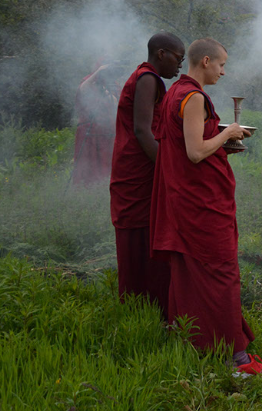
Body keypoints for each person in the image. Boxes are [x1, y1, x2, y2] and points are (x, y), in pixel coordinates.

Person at [150, 38, 262, 377]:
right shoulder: (192, 97)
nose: (223, 71)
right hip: (200, 204)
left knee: (190, 274)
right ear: (205, 61)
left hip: (188, 198)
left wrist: (222, 143)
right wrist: (229, 132)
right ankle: (239, 361)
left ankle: (194, 342)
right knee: (222, 275)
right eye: (221, 64)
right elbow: (193, 152)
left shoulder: (175, 92)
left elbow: (191, 146)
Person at [109, 32, 185, 315]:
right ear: (161, 53)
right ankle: (147, 306)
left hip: (135, 165)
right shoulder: (148, 78)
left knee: (143, 235)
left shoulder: (144, 77)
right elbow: (142, 130)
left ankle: (142, 305)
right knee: (142, 235)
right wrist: (167, 167)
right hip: (138, 167)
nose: (179, 66)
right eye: (178, 58)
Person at [72, 62, 120, 187]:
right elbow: (82, 90)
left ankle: (104, 187)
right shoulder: (88, 82)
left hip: (107, 131)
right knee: (87, 164)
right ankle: (85, 189)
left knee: (106, 163)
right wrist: (98, 73)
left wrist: (111, 96)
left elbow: (119, 106)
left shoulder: (113, 85)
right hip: (89, 131)